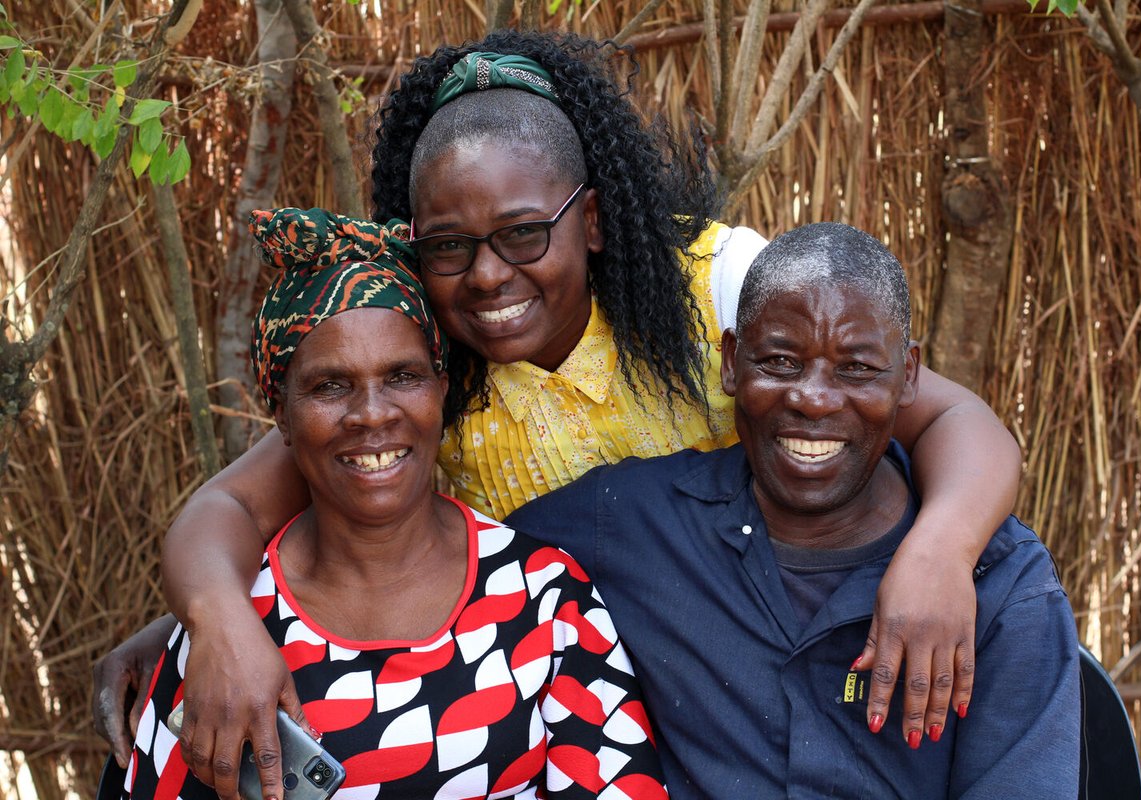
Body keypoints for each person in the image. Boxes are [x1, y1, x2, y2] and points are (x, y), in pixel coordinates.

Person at [94, 30, 1022, 799]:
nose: (489, 275)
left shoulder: (715, 291)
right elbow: (229, 512)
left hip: (760, 678)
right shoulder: (421, 377)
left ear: (596, 219)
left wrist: (938, 552)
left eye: (525, 233)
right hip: (569, 692)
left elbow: (949, 420)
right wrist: (213, 622)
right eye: (450, 246)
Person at [505, 222, 1081, 798]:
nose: (813, 398)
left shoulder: (1001, 589)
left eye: (856, 369)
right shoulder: (630, 524)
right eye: (781, 361)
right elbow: (463, 561)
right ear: (732, 362)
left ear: (907, 376)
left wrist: (940, 557)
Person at [121, 211, 667, 800]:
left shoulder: (544, 598)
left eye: (402, 376)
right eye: (330, 386)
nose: (372, 414)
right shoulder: (230, 633)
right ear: (280, 414)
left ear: (441, 388)